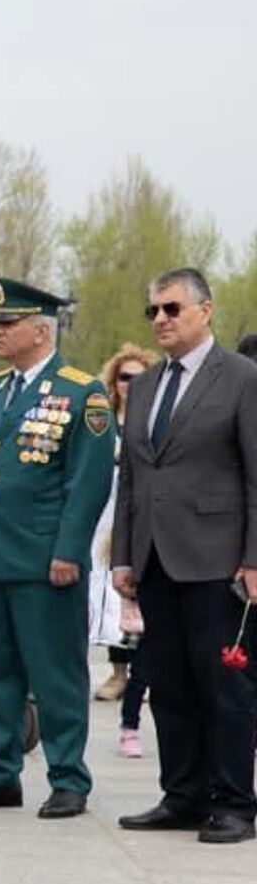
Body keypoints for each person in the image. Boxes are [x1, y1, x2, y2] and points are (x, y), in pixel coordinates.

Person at [0, 279, 113, 818]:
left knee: (56, 672)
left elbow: (86, 485)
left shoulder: (81, 392)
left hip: (46, 561)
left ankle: (68, 777)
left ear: (40, 331)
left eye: (7, 324)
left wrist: (68, 551)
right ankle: (0, 773)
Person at [113, 269, 257, 844]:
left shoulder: (242, 378)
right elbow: (132, 481)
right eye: (153, 312)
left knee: (224, 687)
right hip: (154, 559)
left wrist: (254, 557)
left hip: (217, 560)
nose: (161, 320)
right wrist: (123, 556)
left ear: (206, 311)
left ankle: (234, 801)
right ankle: (184, 794)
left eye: (172, 309)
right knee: (168, 685)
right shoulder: (146, 385)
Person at [91, 346, 156, 754]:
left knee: (142, 616)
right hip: (105, 517)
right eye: (124, 377)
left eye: (138, 377)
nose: (130, 385)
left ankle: (140, 684)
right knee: (109, 602)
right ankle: (119, 673)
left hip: (144, 520)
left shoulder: (155, 420)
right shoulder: (103, 422)